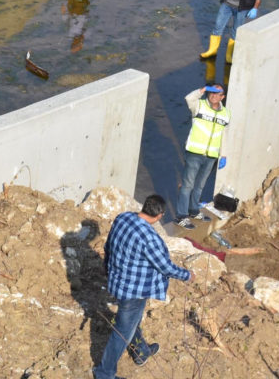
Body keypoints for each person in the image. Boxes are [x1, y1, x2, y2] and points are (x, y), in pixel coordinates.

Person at [93, 195, 191, 379]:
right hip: (134, 292)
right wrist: (187, 275)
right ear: (160, 216)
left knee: (131, 321)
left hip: (117, 283)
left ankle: (141, 351)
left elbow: (108, 246)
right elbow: (166, 267)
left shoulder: (123, 218)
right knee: (121, 333)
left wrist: (106, 268)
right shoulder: (149, 238)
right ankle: (104, 374)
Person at [175, 84, 229, 229]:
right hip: (194, 153)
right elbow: (188, 98)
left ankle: (193, 211)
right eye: (212, 92)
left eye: (218, 93)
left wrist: (222, 155)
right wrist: (203, 90)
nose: (213, 95)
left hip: (211, 156)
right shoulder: (199, 106)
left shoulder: (226, 113)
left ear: (222, 97)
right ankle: (181, 216)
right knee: (187, 185)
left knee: (199, 186)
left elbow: (224, 135)